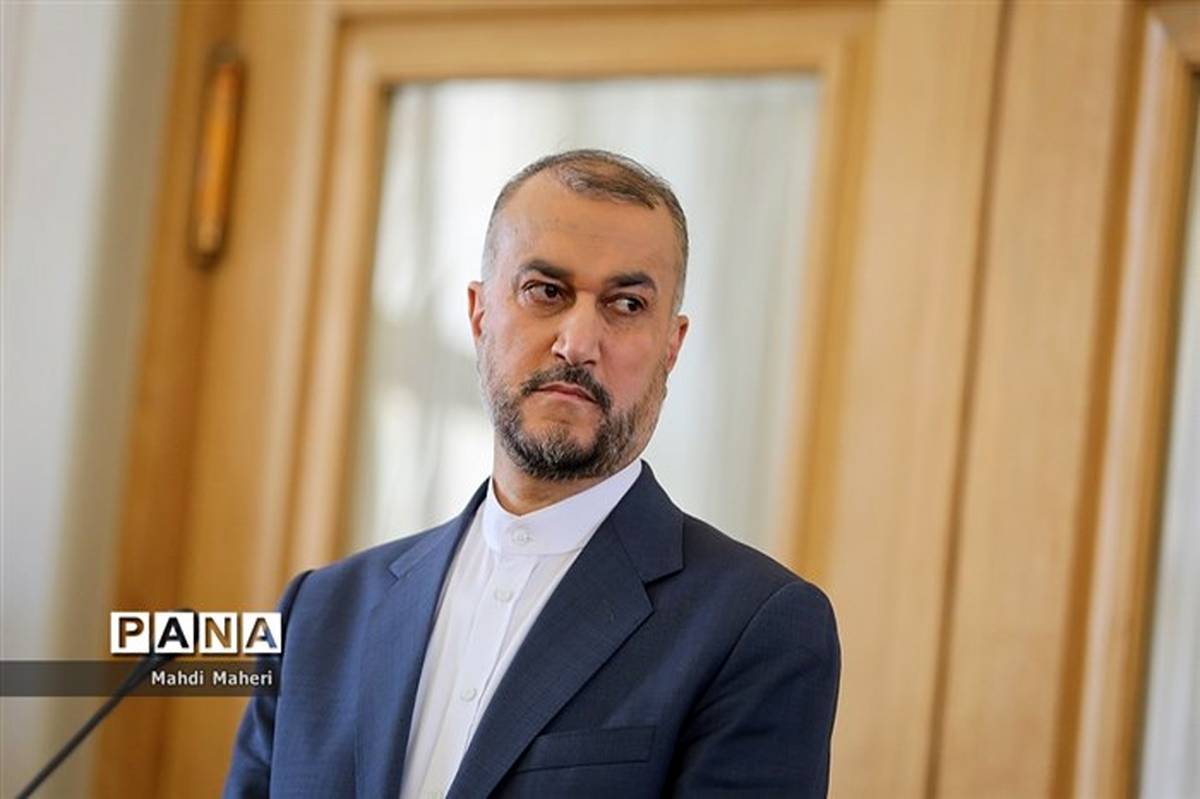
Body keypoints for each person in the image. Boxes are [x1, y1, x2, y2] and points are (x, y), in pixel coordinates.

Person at [223, 149, 840, 798]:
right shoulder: (318, 613)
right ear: (479, 314)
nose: (577, 343)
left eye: (626, 304)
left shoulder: (756, 628)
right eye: (546, 291)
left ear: (672, 347)